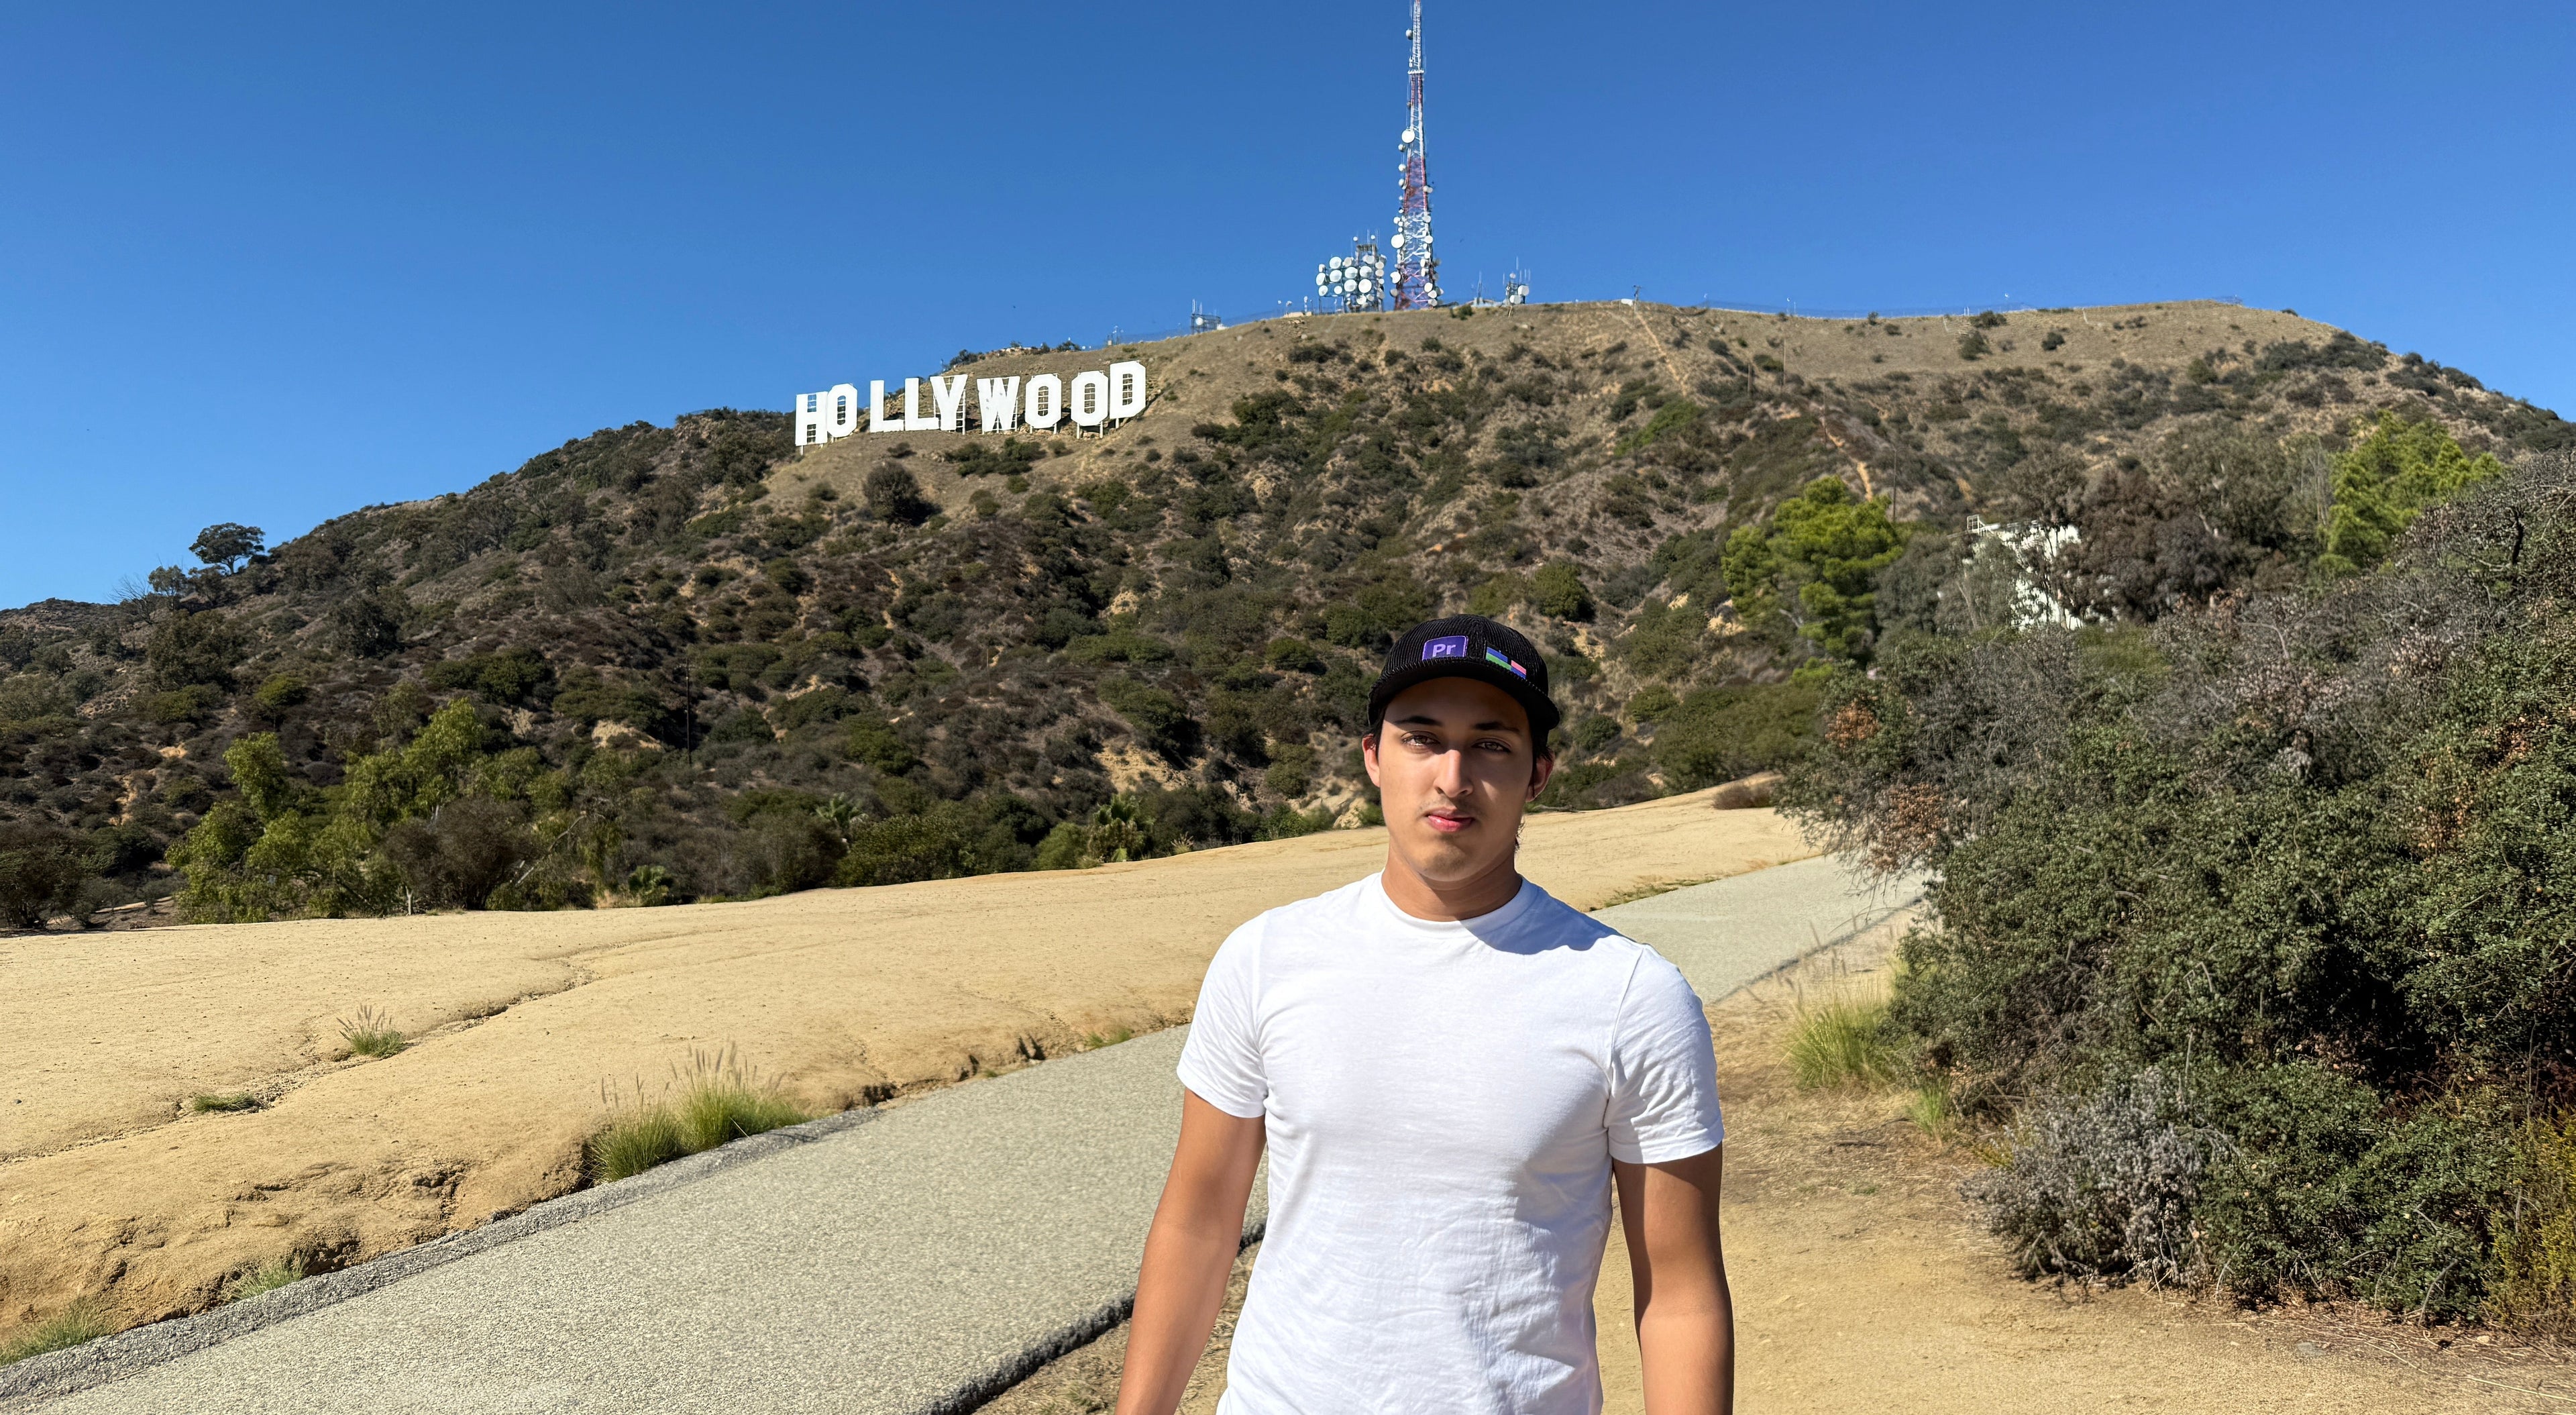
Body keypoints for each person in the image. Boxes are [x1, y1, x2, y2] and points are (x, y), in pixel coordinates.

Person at [1114, 615, 1733, 1415]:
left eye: (1491, 744)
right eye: (1421, 738)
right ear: (1373, 756)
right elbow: (1199, 1224)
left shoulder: (1631, 998)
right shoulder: (1265, 959)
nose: (1452, 776)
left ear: (1537, 773)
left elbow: (1680, 1296)